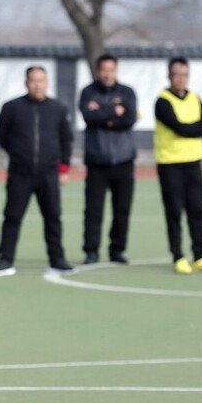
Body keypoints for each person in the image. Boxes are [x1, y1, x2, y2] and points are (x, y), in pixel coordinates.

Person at [0, 66, 74, 276]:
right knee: (12, 216)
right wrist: (17, 151)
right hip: (20, 173)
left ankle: (57, 259)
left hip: (49, 173)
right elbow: (0, 134)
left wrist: (63, 168)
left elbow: (66, 140)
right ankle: (5, 260)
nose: (37, 85)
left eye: (41, 80)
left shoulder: (58, 109)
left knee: (53, 216)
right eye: (33, 81)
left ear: (47, 83)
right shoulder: (12, 107)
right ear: (26, 83)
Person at [155, 56, 202, 275]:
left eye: (184, 74)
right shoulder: (162, 101)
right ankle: (178, 256)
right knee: (174, 211)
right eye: (177, 74)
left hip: (194, 162)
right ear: (169, 76)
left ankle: (201, 255)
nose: (181, 79)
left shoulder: (194, 98)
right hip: (170, 163)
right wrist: (192, 128)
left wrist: (189, 128)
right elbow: (179, 128)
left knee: (198, 209)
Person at [79, 53, 138, 265]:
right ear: (97, 71)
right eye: (104, 69)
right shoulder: (88, 92)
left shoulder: (127, 92)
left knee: (122, 209)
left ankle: (117, 250)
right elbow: (88, 117)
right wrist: (114, 111)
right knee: (93, 209)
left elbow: (129, 119)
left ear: (116, 70)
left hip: (123, 160)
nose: (107, 74)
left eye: (111, 69)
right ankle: (91, 251)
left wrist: (103, 113)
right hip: (97, 161)